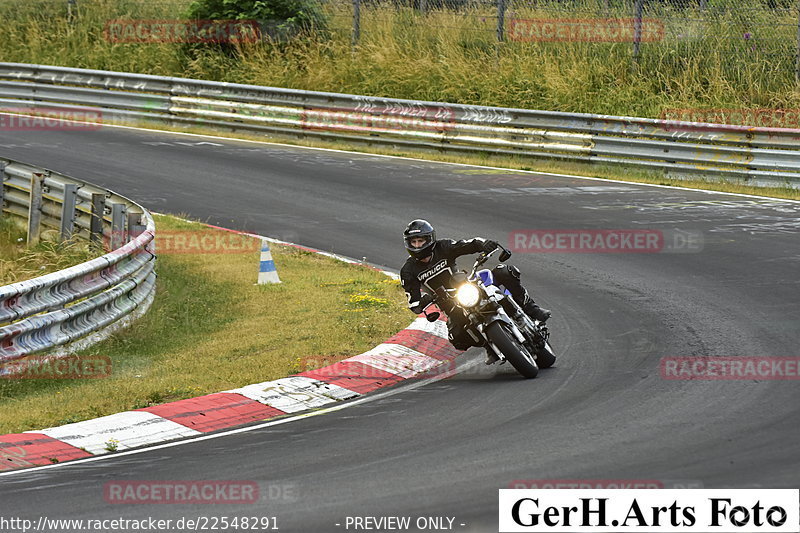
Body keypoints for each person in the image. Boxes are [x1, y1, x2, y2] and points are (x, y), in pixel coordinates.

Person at [400, 219, 551, 364]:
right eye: (414, 242)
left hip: (465, 286)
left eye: (421, 241)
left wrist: (483, 244)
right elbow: (412, 300)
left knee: (505, 272)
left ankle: (531, 308)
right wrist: (421, 302)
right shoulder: (408, 270)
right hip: (450, 305)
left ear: (429, 239)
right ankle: (489, 344)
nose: (418, 245)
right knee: (457, 337)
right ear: (408, 243)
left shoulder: (443, 247)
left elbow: (467, 244)